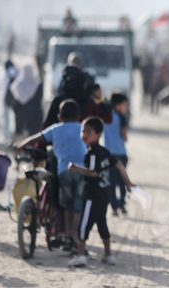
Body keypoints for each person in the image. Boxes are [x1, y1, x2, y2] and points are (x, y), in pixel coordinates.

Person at [14, 99, 87, 253]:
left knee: (67, 205)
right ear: (78, 116)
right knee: (78, 206)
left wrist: (21, 146)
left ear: (60, 117)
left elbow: (36, 138)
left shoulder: (55, 129)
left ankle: (67, 238)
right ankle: (75, 239)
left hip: (63, 172)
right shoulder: (82, 128)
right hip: (81, 172)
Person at [67, 116, 134, 267]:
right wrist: (128, 183)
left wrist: (75, 168)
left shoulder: (92, 153)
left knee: (84, 224)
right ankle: (109, 255)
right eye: (83, 131)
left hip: (92, 195)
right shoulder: (105, 152)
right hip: (105, 194)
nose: (84, 134)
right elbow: (119, 166)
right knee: (101, 222)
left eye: (88, 132)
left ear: (98, 135)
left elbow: (93, 172)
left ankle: (80, 255)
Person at [103, 92, 129, 216]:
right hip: (120, 153)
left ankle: (114, 208)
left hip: (108, 153)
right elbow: (124, 135)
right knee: (122, 180)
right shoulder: (121, 117)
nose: (126, 107)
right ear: (118, 105)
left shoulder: (106, 116)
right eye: (124, 104)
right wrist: (125, 137)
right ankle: (121, 202)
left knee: (112, 182)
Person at [10, 64, 43, 137]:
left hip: (22, 117)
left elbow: (15, 102)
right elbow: (39, 99)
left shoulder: (19, 84)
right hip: (35, 115)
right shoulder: (37, 83)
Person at [1, 60, 18, 143]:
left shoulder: (6, 74)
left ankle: (6, 137)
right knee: (15, 117)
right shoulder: (17, 72)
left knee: (6, 118)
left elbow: (2, 85)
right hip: (15, 99)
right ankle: (14, 136)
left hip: (6, 98)